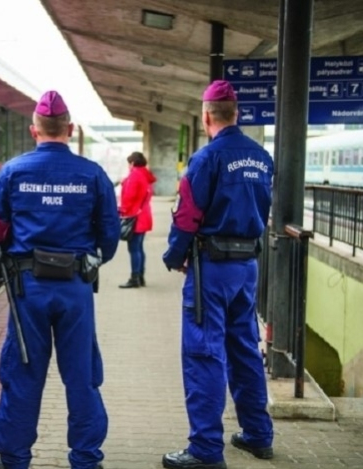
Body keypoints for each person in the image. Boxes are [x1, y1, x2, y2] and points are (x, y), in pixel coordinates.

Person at [0, 90, 120, 469]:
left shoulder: (13, 172)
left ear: (34, 130)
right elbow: (109, 234)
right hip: (76, 289)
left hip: (28, 289)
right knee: (82, 376)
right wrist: (91, 263)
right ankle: (86, 459)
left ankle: (14, 460)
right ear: (70, 130)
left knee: (23, 374)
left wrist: (10, 256)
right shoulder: (93, 174)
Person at [161, 80, 275, 469]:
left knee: (204, 353)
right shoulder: (262, 157)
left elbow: (187, 214)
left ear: (206, 115)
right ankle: (258, 435)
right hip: (247, 268)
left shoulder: (206, 159)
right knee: (244, 347)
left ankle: (206, 451)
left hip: (211, 269)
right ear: (237, 114)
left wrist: (175, 255)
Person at [117, 151, 156, 288]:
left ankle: (134, 278)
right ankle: (140, 277)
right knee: (139, 248)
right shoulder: (145, 175)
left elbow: (129, 197)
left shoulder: (134, 175)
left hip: (135, 217)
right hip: (144, 215)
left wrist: (121, 211)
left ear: (132, 163)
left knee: (133, 249)